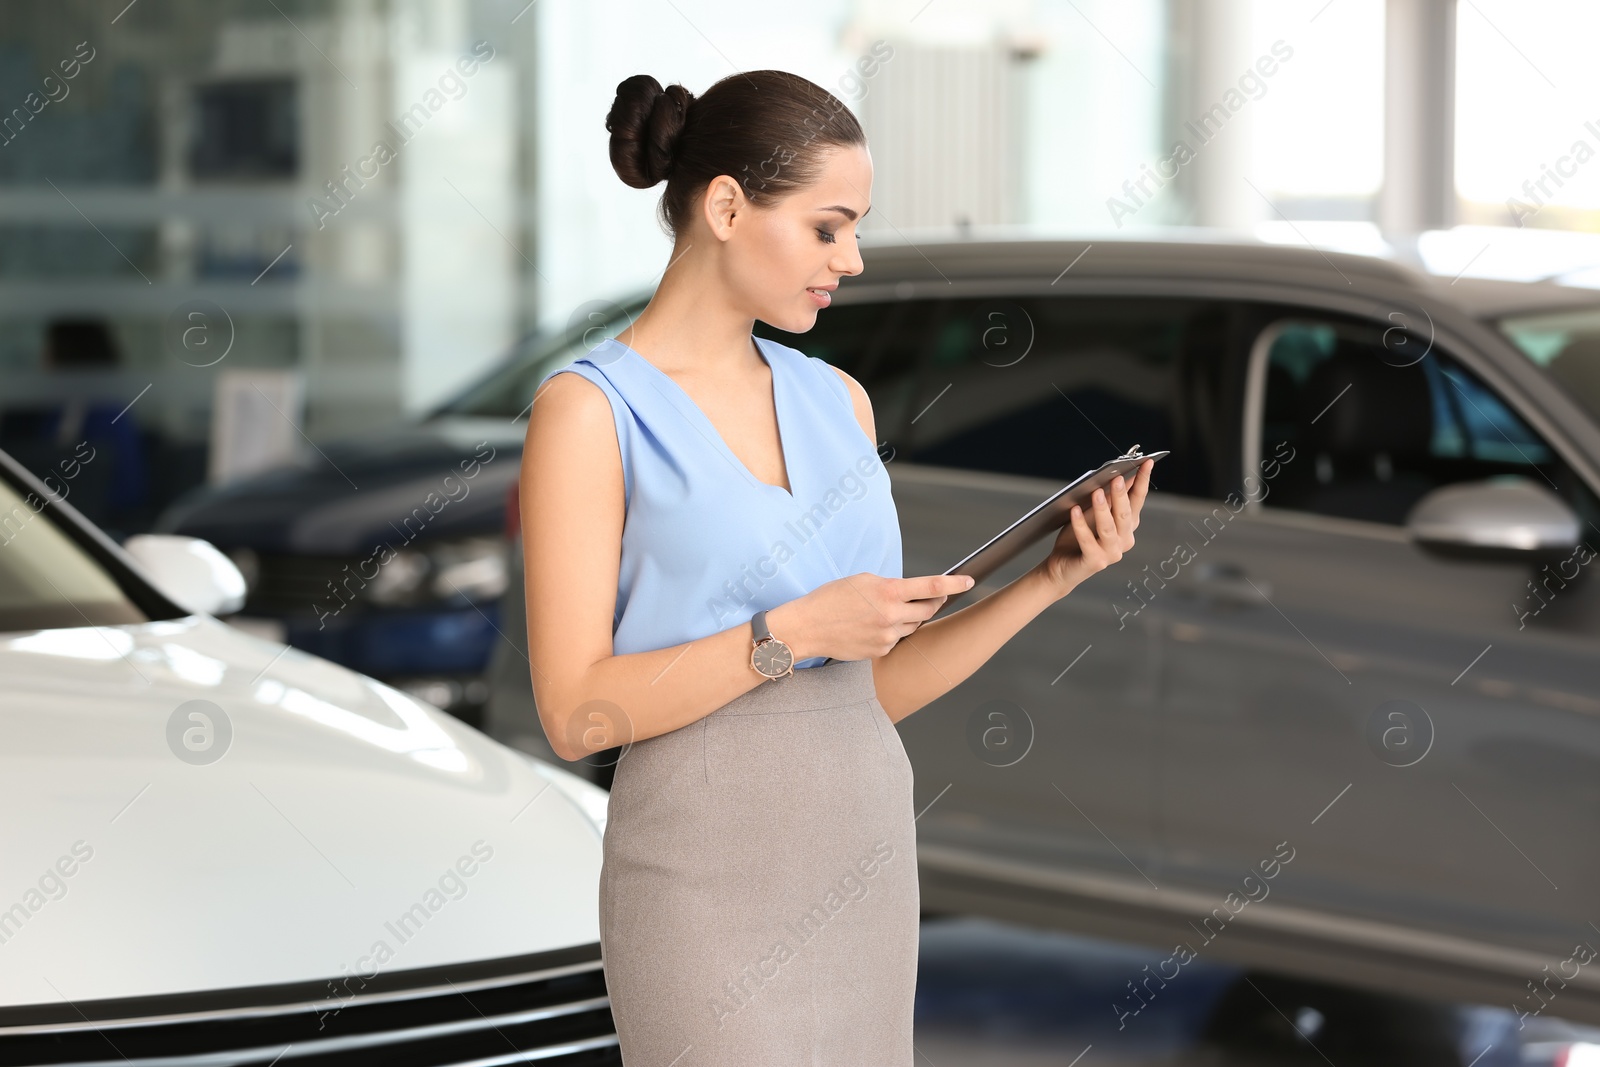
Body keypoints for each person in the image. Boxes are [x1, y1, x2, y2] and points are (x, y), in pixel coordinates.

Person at [519, 69, 1153, 1065]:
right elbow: (574, 713)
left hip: (861, 860)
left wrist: (1049, 577)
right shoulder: (590, 411)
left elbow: (870, 691)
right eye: (828, 227)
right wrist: (789, 634)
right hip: (697, 880)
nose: (850, 259)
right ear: (726, 205)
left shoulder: (839, 402)